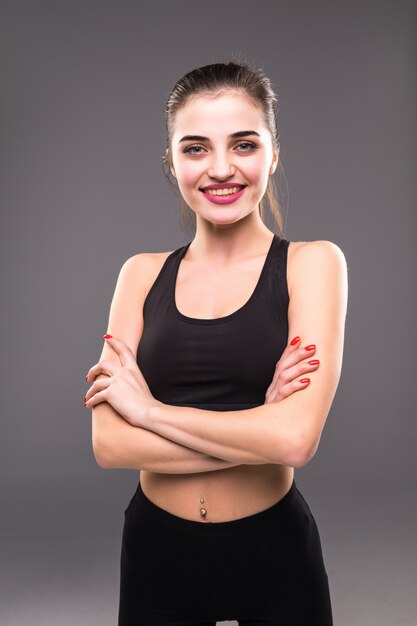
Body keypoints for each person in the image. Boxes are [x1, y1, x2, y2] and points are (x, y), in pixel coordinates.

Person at [84, 59, 348, 626]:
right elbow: (109, 443)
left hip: (274, 554)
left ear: (274, 154)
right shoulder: (140, 273)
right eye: (196, 147)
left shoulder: (313, 264)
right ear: (172, 161)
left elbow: (297, 440)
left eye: (245, 145)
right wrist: (259, 428)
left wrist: (149, 412)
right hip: (157, 556)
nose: (221, 168)